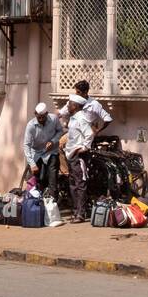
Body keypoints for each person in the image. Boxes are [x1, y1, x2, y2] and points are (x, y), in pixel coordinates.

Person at [63, 94, 96, 223]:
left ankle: (80, 214)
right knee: (72, 184)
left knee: (80, 184)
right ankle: (76, 211)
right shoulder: (73, 118)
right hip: (70, 154)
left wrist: (84, 147)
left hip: (78, 156)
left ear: (75, 106)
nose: (68, 106)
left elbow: (89, 134)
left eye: (70, 104)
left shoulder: (81, 118)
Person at [23, 102, 64, 199]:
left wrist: (53, 141)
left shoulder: (54, 119)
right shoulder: (31, 126)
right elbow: (26, 145)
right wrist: (32, 164)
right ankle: (36, 201)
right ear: (35, 114)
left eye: (43, 117)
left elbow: (60, 131)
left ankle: (52, 202)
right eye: (39, 117)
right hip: (37, 153)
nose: (41, 120)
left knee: (52, 178)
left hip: (51, 152)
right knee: (38, 179)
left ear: (47, 114)